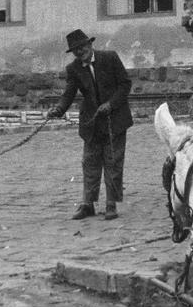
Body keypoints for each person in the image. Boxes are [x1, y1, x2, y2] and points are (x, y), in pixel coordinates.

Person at [45, 29, 133, 220]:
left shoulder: (110, 58)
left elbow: (125, 84)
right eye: (75, 49)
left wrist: (111, 104)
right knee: (90, 163)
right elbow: (68, 94)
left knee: (113, 162)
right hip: (91, 123)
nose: (80, 51)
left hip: (115, 120)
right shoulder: (73, 68)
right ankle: (88, 205)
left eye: (82, 47)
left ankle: (111, 204)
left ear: (90, 44)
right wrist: (58, 109)